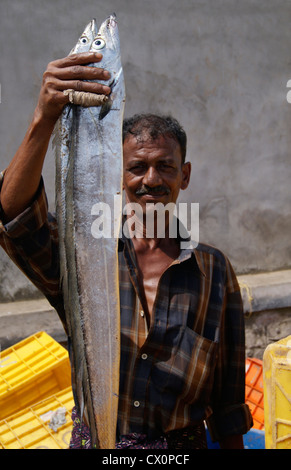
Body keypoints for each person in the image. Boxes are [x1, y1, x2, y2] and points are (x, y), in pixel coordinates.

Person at [0, 52, 252, 449]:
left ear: (184, 176)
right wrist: (43, 117)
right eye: (137, 167)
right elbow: (15, 217)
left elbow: (228, 407)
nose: (151, 179)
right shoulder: (85, 254)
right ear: (118, 174)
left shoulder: (214, 271)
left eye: (165, 166)